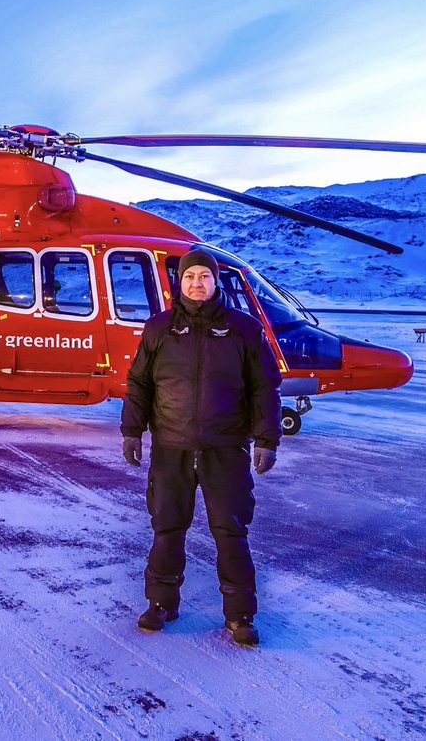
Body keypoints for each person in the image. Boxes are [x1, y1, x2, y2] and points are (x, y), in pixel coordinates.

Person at [121, 247, 282, 646]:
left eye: (204, 277)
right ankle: (161, 603)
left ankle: (240, 614)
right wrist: (131, 430)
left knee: (230, 531)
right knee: (167, 528)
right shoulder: (159, 329)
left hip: (225, 449)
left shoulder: (244, 329)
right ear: (181, 282)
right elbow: (139, 383)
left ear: (215, 282)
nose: (197, 283)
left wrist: (267, 438)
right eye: (190, 277)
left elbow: (265, 387)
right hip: (171, 447)